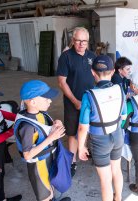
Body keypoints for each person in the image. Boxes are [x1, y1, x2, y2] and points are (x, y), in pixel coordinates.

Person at [78, 55, 127, 201]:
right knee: (116, 170)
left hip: (100, 141)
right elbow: (123, 117)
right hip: (117, 135)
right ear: (112, 72)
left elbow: (83, 127)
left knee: (105, 180)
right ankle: (118, 198)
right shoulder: (120, 90)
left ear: (92, 72)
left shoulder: (89, 96)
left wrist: (81, 147)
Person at [14, 80, 71, 201]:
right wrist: (51, 138)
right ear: (33, 102)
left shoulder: (40, 113)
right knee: (45, 195)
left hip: (48, 159)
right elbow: (27, 154)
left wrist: (56, 123)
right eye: (46, 98)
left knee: (51, 186)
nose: (50, 101)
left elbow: (43, 128)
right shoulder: (27, 126)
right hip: (39, 166)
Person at [56, 27, 96, 176]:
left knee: (89, 128)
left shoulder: (92, 56)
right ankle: (72, 162)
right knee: (72, 132)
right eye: (78, 40)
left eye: (84, 41)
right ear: (73, 40)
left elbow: (97, 77)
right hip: (73, 102)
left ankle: (86, 151)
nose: (81, 44)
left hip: (90, 101)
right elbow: (61, 82)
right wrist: (75, 101)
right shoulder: (66, 57)